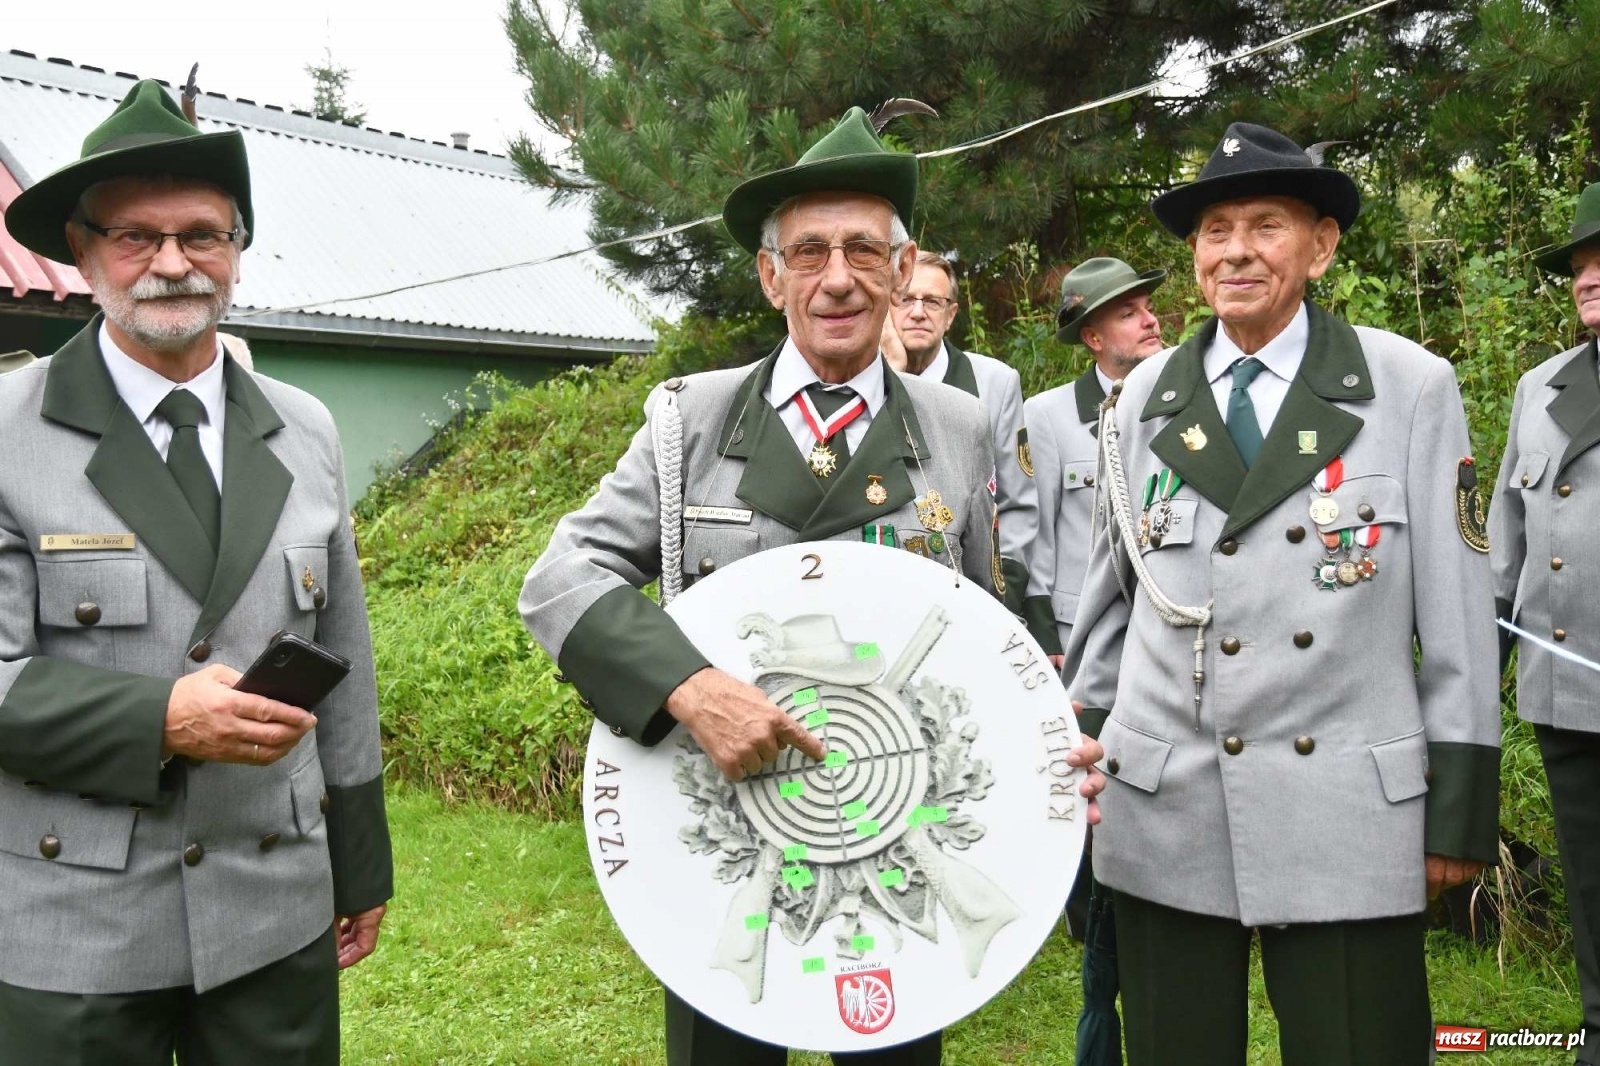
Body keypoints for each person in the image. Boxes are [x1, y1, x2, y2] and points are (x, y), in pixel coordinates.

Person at [520, 106, 1105, 1066]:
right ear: (770, 276)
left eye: (864, 251)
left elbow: (982, 625)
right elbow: (559, 579)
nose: (838, 278)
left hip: (896, 834)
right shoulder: (691, 419)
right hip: (727, 824)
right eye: (809, 253)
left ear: (902, 271)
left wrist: (1040, 740)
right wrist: (687, 686)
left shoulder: (957, 426)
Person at [1066, 122, 1501, 1066]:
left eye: (1266, 225)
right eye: (1215, 230)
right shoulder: (1141, 399)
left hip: (1344, 802)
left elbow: (1460, 619)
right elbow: (1108, 609)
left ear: (1321, 244)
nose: (1236, 251)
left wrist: (1459, 806)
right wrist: (1078, 775)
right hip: (1166, 801)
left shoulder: (1407, 387)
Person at [0, 79, 392, 1064]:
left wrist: (359, 862)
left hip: (274, 907)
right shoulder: (7, 434)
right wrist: (160, 719)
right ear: (82, 250)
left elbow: (343, 658)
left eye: (202, 235)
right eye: (135, 236)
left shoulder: (304, 427)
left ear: (237, 249)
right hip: (76, 924)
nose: (172, 263)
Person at [1490, 179, 1600, 1065]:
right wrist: (1476, 661)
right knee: (1591, 881)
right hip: (1566, 682)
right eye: (1579, 265)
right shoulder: (1542, 386)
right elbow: (1506, 537)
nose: (1588, 278)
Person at [881, 252, 1053, 650]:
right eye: (905, 300)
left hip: (972, 590)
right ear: (887, 307)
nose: (918, 312)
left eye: (933, 301)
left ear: (951, 315)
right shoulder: (863, 380)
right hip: (887, 587)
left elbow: (1017, 503)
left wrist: (999, 597)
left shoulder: (994, 382)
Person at [1026, 257, 1166, 669]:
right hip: (1081, 632)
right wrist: (1041, 625)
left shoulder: (1185, 407)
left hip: (1165, 623)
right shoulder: (1047, 415)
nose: (1150, 321)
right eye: (1128, 314)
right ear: (1093, 337)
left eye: (1149, 308)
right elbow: (1035, 529)